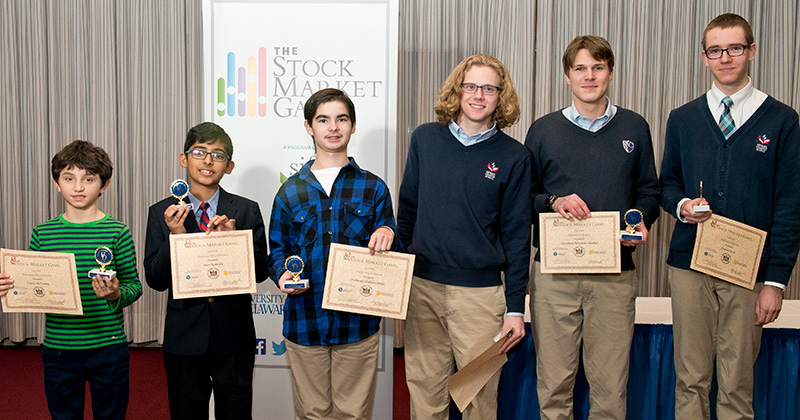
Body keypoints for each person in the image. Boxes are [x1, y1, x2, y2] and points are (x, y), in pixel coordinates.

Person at [660, 13, 800, 419]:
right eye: (716, 50)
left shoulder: (782, 121)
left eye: (735, 48)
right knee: (690, 379)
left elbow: (791, 205)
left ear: (751, 51)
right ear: (704, 57)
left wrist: (775, 281)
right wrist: (682, 207)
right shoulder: (683, 119)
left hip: (749, 271)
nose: (726, 57)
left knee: (737, 383)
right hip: (689, 266)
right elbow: (666, 186)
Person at [525, 35, 660, 419]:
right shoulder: (543, 130)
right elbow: (523, 197)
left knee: (611, 389)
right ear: (567, 76)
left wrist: (640, 218)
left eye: (597, 68)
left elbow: (649, 191)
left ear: (610, 73)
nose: (589, 76)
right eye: (580, 68)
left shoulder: (634, 127)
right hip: (554, 277)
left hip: (614, 276)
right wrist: (553, 201)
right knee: (553, 385)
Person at [397, 54, 530, 419]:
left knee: (479, 398)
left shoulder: (514, 156)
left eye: (489, 88)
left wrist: (515, 307)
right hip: (422, 290)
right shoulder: (426, 139)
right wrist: (401, 274)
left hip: (481, 300)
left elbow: (518, 236)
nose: (478, 95)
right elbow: (407, 211)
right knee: (425, 394)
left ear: (500, 97)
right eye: (470, 86)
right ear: (457, 91)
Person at [268, 88, 396, 420]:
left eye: (341, 119)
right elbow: (278, 249)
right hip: (305, 320)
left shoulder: (374, 187)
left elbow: (390, 239)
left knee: (353, 415)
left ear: (353, 126)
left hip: (358, 323)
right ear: (309, 127)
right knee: (312, 414)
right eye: (323, 120)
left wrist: (388, 231)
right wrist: (282, 272)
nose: (333, 127)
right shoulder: (290, 191)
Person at [0, 140, 142, 419]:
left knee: (111, 415)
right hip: (59, 348)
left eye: (88, 179)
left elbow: (134, 286)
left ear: (104, 185)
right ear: (57, 184)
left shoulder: (117, 231)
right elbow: (35, 285)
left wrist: (115, 294)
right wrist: (10, 286)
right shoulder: (43, 233)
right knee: (63, 416)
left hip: (108, 346)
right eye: (69, 178)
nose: (78, 187)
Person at [143, 122, 269, 419]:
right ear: (184, 159)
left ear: (229, 166)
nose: (208, 160)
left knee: (236, 414)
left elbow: (262, 271)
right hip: (184, 337)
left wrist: (234, 242)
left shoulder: (245, 210)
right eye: (200, 152)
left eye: (218, 154)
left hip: (234, 337)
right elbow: (155, 279)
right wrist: (174, 237)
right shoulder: (162, 212)